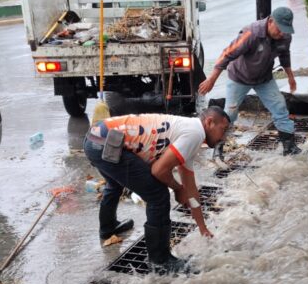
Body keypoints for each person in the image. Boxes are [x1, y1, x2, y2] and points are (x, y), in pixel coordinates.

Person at [84, 106, 231, 273]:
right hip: (107, 143)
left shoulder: (190, 131)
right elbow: (159, 170)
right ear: (210, 122)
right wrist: (176, 189)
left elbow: (190, 188)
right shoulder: (195, 134)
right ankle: (160, 260)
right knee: (158, 195)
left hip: (96, 138)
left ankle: (108, 229)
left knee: (115, 184)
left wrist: (203, 229)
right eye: (223, 129)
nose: (224, 137)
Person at [198, 6, 302, 156]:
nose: (281, 34)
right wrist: (212, 79)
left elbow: (284, 56)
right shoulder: (251, 33)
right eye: (279, 29)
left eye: (285, 30)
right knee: (229, 115)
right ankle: (219, 149)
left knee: (280, 107)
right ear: (270, 21)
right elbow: (227, 54)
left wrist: (291, 77)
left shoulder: (285, 36)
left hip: (264, 79)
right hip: (239, 78)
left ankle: (289, 147)